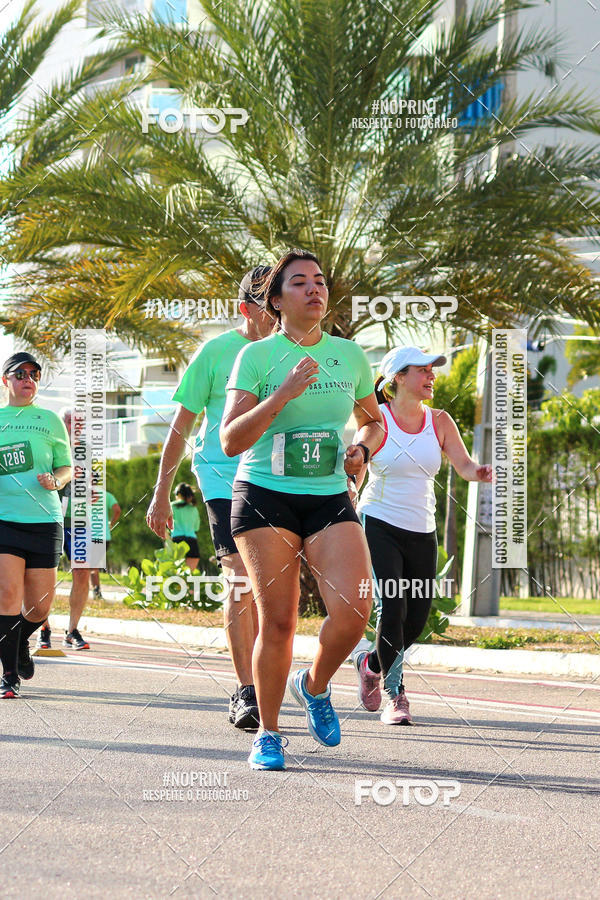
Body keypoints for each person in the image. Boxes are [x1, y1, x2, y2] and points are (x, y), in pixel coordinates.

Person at [220, 248, 383, 771]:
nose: (314, 289)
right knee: (282, 622)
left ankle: (313, 687)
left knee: (357, 610)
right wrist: (282, 395)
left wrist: (363, 447)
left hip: (329, 494)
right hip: (264, 496)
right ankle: (268, 734)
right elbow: (230, 439)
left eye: (319, 280)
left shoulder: (350, 355)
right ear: (276, 300)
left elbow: (372, 420)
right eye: (299, 282)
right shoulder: (257, 358)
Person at [147, 266, 274, 731]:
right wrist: (162, 491)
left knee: (270, 590)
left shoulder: (294, 350)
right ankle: (246, 691)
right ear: (246, 309)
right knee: (240, 577)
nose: (279, 310)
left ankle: (268, 682)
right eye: (268, 302)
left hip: (276, 479)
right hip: (222, 476)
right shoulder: (215, 353)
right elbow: (181, 426)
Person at [353, 346, 493, 725]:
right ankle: (395, 696)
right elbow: (361, 463)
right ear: (397, 377)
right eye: (423, 370)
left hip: (422, 529)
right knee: (393, 607)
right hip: (379, 521)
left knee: (416, 618)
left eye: (433, 371)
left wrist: (478, 472)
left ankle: (370, 662)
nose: (431, 376)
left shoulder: (440, 421)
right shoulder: (376, 420)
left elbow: (463, 465)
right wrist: (351, 487)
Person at [0, 352, 72, 697]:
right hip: (4, 521)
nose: (28, 379)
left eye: (35, 374)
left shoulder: (50, 419)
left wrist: (56, 481)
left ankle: (18, 643)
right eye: (20, 373)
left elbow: (66, 467)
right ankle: (9, 676)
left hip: (44, 519)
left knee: (40, 606)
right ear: (6, 381)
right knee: (7, 597)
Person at [37, 423, 121, 650]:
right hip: (48, 518)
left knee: (83, 573)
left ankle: (72, 630)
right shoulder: (45, 445)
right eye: (67, 422)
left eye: (76, 424)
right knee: (43, 576)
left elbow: (91, 482)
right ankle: (43, 627)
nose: (72, 428)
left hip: (81, 522)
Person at [170, 482, 200, 570]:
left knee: (177, 577)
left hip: (177, 541)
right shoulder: (193, 508)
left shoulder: (171, 506)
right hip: (192, 542)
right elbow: (196, 527)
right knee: (189, 577)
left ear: (178, 494)